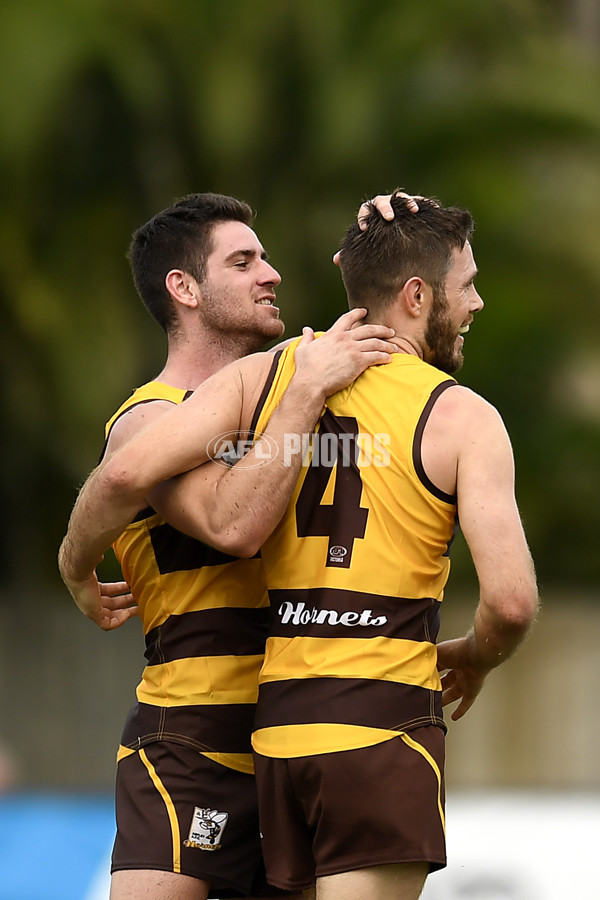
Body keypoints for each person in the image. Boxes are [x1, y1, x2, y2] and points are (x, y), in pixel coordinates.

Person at [60, 193, 539, 900]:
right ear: (184, 290)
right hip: (203, 735)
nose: (273, 274)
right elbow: (227, 524)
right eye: (244, 261)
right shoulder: (173, 415)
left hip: (281, 730)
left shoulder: (280, 379)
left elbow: (387, 281)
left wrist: (385, 223)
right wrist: (75, 567)